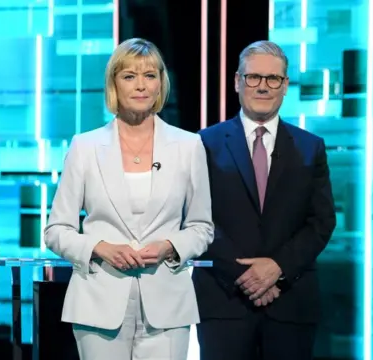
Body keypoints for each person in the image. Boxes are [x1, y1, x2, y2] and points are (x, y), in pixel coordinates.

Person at [44, 37, 214, 359]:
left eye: (150, 76)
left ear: (160, 84)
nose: (141, 86)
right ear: (114, 84)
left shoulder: (189, 146)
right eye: (129, 76)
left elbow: (202, 227)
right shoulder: (85, 147)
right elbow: (56, 231)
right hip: (98, 302)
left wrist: (170, 246)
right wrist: (99, 248)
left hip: (166, 305)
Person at [192, 40, 337, 360]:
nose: (263, 86)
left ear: (285, 86)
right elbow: (195, 217)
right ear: (237, 81)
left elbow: (321, 221)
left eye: (273, 79)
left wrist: (278, 268)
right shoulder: (204, 143)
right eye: (253, 77)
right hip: (223, 301)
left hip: (291, 302)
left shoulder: (310, 147)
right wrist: (245, 276)